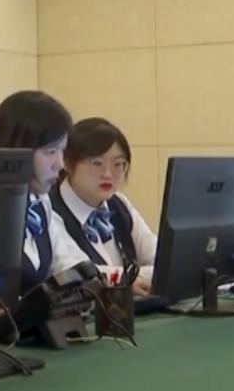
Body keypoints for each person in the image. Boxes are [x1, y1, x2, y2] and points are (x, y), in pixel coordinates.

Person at [0, 91, 91, 295]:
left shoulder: (39, 203)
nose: (60, 164)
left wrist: (105, 283)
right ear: (16, 148)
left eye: (62, 151)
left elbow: (68, 261)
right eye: (51, 152)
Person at [49, 118, 157, 294]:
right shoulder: (50, 210)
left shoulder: (118, 203)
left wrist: (123, 278)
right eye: (97, 164)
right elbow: (76, 273)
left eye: (118, 164)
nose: (108, 174)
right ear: (67, 163)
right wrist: (124, 279)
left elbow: (162, 261)